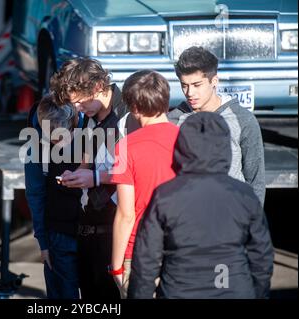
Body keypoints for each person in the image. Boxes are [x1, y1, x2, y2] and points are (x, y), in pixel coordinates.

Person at [128, 112, 274, 299]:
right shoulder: (244, 196)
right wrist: (258, 293)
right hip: (233, 289)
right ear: (224, 147)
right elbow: (262, 256)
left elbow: (146, 259)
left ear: (181, 147)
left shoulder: (165, 196)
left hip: (179, 291)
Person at [51, 57, 140, 299]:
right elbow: (88, 159)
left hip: (116, 229)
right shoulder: (91, 117)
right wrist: (78, 173)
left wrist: (96, 178)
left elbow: (138, 172)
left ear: (99, 86)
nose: (78, 109)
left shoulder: (129, 116)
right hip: (88, 224)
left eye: (80, 102)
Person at [109, 70, 179, 299]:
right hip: (180, 247)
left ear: (135, 108)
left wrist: (116, 266)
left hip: (140, 250)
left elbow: (125, 213)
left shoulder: (125, 147)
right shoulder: (187, 139)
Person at [168, 46, 265, 206]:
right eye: (184, 85)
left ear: (214, 81)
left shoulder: (243, 119)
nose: (189, 92)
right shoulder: (174, 120)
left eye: (197, 85)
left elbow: (256, 180)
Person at [27, 94, 83, 298]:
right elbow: (36, 194)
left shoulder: (91, 123)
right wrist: (43, 243)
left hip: (93, 230)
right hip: (58, 233)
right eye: (53, 139)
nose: (58, 144)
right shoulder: (35, 143)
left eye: (63, 137)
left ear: (75, 121)